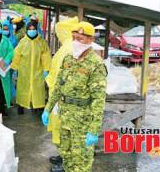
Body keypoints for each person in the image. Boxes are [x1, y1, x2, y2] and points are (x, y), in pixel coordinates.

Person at [42, 21, 107, 172]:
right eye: (74, 38)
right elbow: (58, 86)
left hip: (82, 122)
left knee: (81, 162)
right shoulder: (68, 59)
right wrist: (48, 108)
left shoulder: (96, 64)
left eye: (80, 39)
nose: (76, 42)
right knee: (67, 156)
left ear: (91, 40)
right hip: (65, 117)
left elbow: (99, 99)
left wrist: (94, 129)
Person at [45, 17, 79, 166]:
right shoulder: (68, 46)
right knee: (63, 128)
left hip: (64, 96)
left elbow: (63, 75)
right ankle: (63, 156)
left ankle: (67, 162)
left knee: (65, 128)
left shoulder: (69, 48)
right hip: (60, 94)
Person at [11, 20, 51, 114]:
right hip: (24, 70)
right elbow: (17, 55)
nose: (32, 31)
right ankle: (21, 106)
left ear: (37, 30)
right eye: (30, 29)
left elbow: (46, 56)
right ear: (27, 30)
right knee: (22, 89)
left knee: (38, 89)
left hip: (38, 70)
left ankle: (39, 106)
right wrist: (15, 67)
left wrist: (46, 69)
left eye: (33, 29)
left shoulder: (42, 42)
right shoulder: (23, 42)